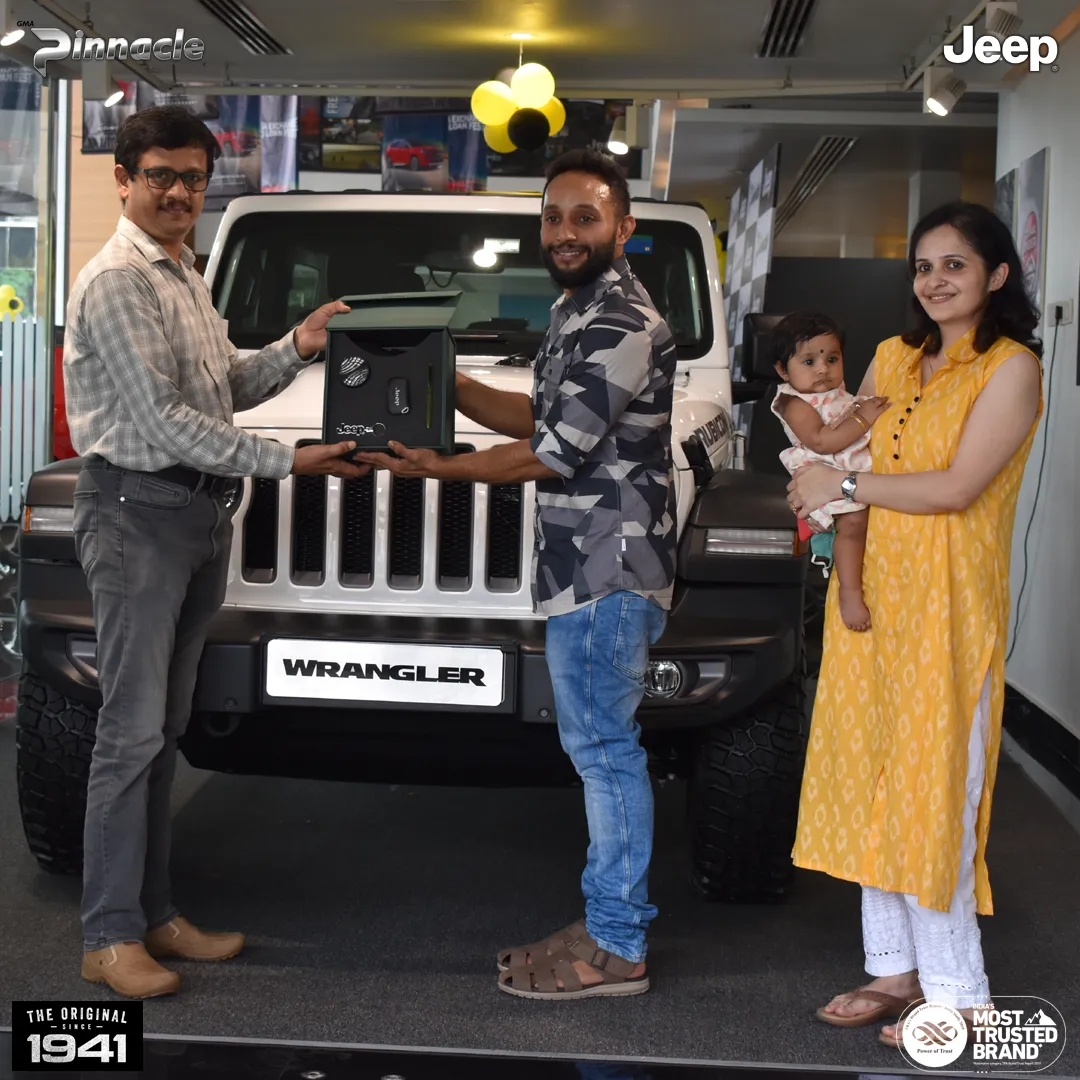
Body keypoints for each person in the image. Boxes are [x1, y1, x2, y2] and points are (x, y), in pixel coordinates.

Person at [357, 148, 677, 1000]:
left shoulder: (624, 322)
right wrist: (444, 379)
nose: (565, 232)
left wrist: (441, 469)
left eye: (585, 217)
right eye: (553, 217)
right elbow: (540, 414)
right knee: (597, 750)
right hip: (581, 564)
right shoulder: (577, 311)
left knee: (605, 753)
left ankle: (618, 944)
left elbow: (553, 452)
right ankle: (606, 919)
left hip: (610, 566)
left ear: (623, 228)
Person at [64, 105, 366, 1000]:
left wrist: (296, 348)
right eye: (160, 175)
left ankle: (154, 914)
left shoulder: (183, 273)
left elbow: (221, 384)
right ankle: (108, 936)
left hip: (194, 516)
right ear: (124, 179)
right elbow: (162, 421)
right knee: (129, 734)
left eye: (192, 177)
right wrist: (288, 461)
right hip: (136, 514)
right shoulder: (119, 280)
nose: (178, 192)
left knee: (162, 732)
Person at [786, 201, 1043, 1047]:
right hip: (871, 600)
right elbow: (843, 445)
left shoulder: (1011, 369)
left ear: (996, 274)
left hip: (948, 609)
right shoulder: (894, 357)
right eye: (924, 267)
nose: (935, 281)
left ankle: (961, 995)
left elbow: (958, 487)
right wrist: (817, 479)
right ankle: (893, 968)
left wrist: (839, 487)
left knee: (934, 792)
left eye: (955, 265)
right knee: (871, 777)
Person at [770, 312, 891, 631]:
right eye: (809, 362)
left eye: (832, 359)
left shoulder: (830, 392)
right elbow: (822, 441)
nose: (823, 369)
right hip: (825, 473)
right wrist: (863, 418)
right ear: (783, 370)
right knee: (853, 526)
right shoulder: (793, 402)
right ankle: (850, 593)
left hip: (847, 469)